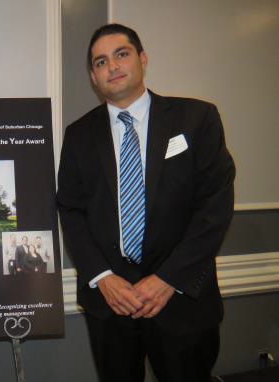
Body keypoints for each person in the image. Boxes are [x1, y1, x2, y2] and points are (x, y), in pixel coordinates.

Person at [57, 24, 235, 382]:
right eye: (101, 62)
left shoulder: (196, 119)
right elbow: (71, 210)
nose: (112, 66)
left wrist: (169, 278)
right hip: (110, 304)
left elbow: (214, 206)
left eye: (121, 54)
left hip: (182, 300)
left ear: (142, 58)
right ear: (94, 76)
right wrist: (103, 277)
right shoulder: (78, 135)